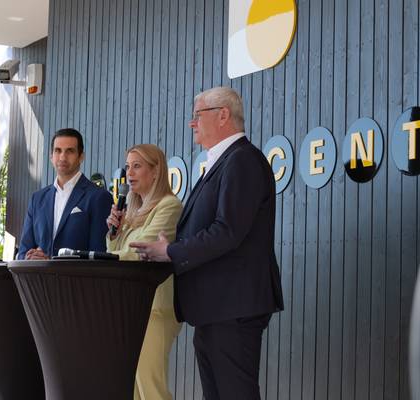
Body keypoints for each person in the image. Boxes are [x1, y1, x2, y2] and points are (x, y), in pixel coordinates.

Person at [130, 87, 284, 400]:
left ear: (223, 115)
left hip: (232, 306)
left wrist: (171, 251)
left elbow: (227, 231)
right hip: (216, 307)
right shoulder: (224, 161)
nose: (192, 123)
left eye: (197, 115)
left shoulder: (242, 160)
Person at [106, 144, 183, 400]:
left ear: (156, 171)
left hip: (155, 309)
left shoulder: (169, 206)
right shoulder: (132, 211)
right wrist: (114, 234)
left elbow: (143, 251)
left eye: (137, 166)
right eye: (128, 166)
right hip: (130, 307)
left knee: (151, 391)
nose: (129, 173)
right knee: (132, 392)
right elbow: (119, 251)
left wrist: (102, 258)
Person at [18, 128, 113, 260]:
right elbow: (23, 252)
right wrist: (29, 258)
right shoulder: (37, 199)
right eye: (58, 151)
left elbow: (98, 256)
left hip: (77, 274)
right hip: (39, 274)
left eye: (70, 151)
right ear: (51, 156)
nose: (63, 157)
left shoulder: (99, 197)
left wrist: (51, 265)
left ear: (81, 156)